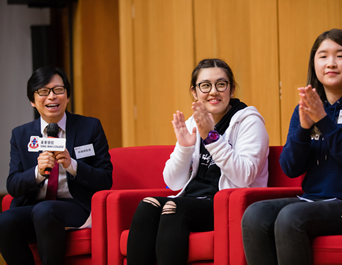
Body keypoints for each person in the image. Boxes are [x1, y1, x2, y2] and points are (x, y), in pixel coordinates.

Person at [241, 28, 342, 265]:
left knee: (291, 217)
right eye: (323, 56)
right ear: (314, 65)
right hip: (311, 201)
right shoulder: (306, 108)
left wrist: (324, 121)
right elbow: (290, 168)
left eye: (340, 55)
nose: (331, 63)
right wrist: (303, 128)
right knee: (255, 214)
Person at [127, 58, 269, 264]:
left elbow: (244, 176)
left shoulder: (248, 121)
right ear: (194, 92)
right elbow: (173, 182)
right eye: (205, 85)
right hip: (193, 201)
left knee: (173, 209)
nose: (213, 91)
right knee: (147, 206)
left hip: (227, 205)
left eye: (221, 84)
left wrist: (211, 137)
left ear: (232, 89)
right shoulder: (193, 122)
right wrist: (184, 147)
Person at [0, 66, 113, 265]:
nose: (52, 96)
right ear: (32, 101)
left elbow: (105, 179)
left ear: (67, 96)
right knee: (4, 221)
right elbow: (13, 185)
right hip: (34, 206)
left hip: (76, 205)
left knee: (44, 210)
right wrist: (37, 172)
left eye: (58, 90)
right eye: (43, 91)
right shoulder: (21, 134)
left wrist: (72, 165)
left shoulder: (90, 127)